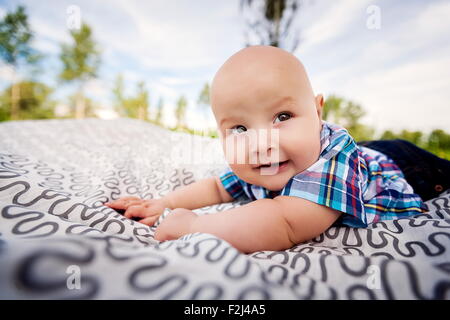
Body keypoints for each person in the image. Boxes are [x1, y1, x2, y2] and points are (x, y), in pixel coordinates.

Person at [104, 45, 450, 254]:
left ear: (317, 112)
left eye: (282, 116)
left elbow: (283, 222)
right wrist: (165, 203)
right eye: (239, 128)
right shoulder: (261, 163)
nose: (262, 142)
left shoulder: (333, 156)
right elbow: (215, 187)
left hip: (409, 166)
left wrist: (194, 226)